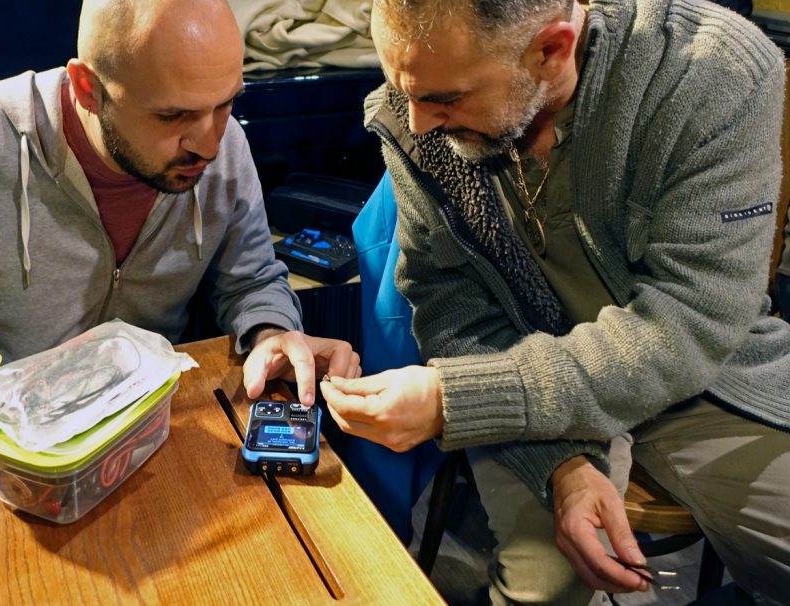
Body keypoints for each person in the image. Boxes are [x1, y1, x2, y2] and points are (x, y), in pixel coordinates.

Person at [320, 0, 790, 603]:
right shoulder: (418, 110)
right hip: (514, 352)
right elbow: (448, 299)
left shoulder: (710, 72)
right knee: (546, 588)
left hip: (700, 381)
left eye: (445, 98)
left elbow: (690, 324)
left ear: (552, 50)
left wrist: (454, 401)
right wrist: (562, 464)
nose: (416, 124)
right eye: (401, 88)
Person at [0, 0, 360, 406]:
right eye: (173, 115)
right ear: (86, 88)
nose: (209, 142)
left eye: (226, 103)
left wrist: (271, 329)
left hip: (148, 432)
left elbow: (252, 276)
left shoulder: (223, 143)